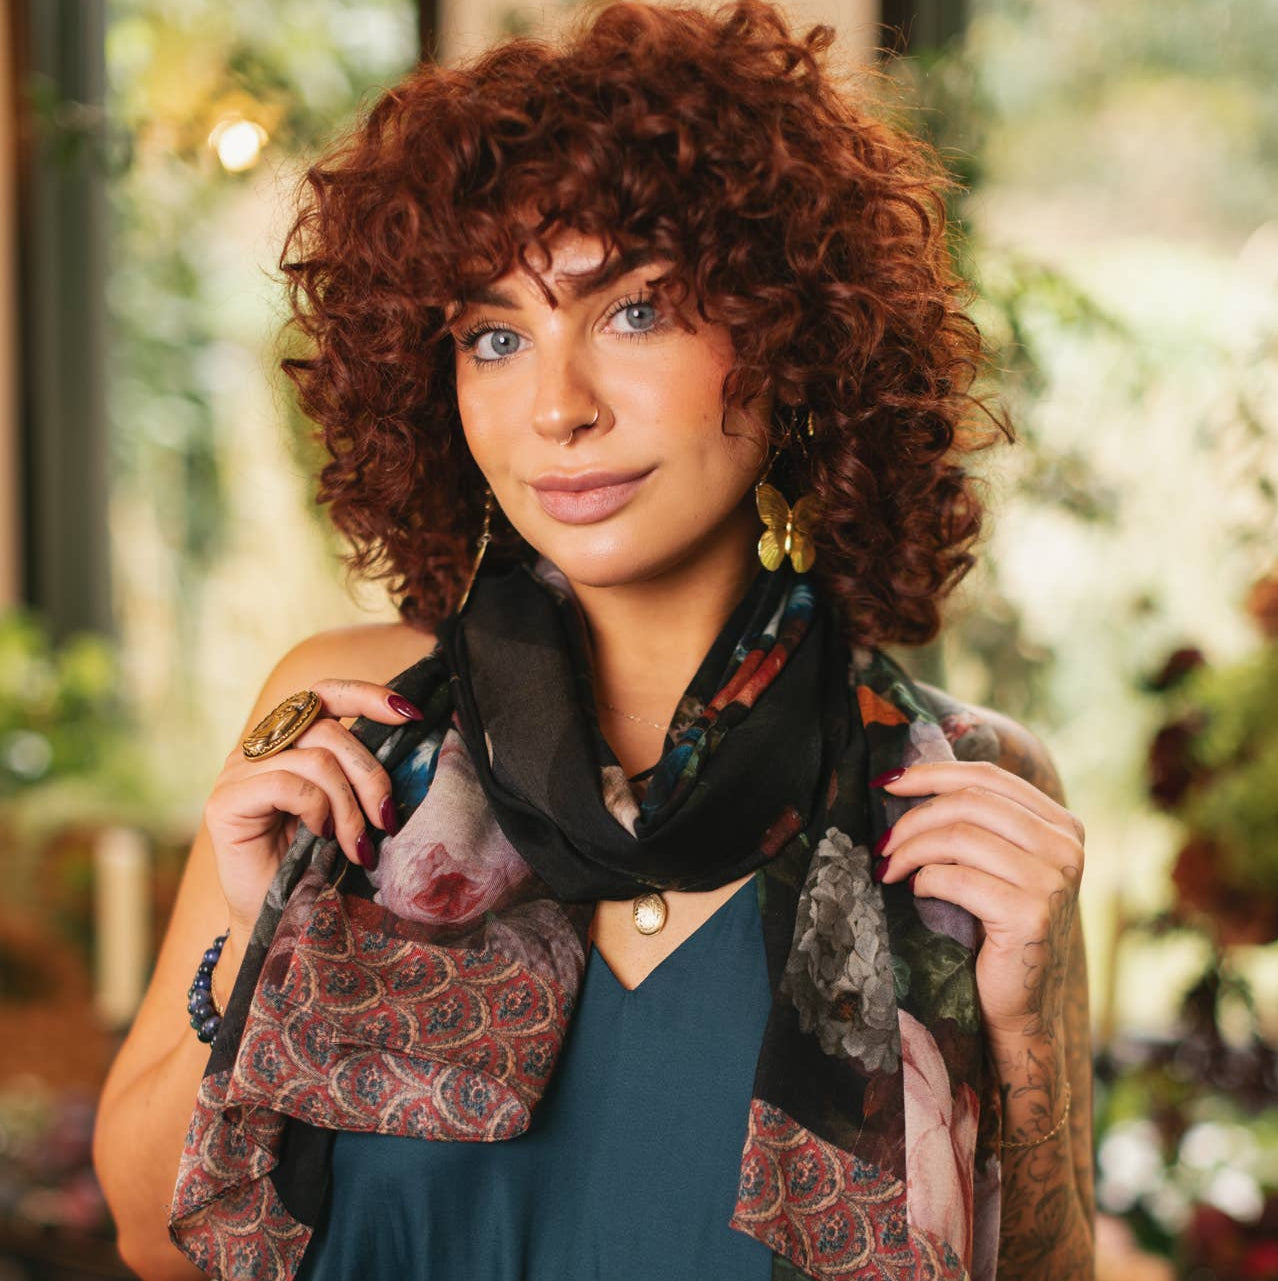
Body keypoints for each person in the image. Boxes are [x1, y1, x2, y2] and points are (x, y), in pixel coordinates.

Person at [91, 1, 1096, 1278]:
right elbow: (151, 1237)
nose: (555, 407)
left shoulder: (960, 792)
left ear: (789, 337)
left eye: (633, 312)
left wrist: (1015, 1038)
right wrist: (262, 935)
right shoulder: (352, 724)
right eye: (495, 336)